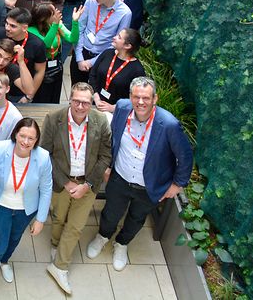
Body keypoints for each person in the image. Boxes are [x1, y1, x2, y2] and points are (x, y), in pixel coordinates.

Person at [87, 77, 193, 271]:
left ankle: (122, 243)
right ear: (130, 97)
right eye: (136, 96)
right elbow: (113, 139)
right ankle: (103, 236)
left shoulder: (169, 125)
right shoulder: (121, 108)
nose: (140, 102)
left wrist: (176, 185)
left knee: (137, 217)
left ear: (155, 99)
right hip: (120, 177)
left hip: (149, 184)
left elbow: (185, 157)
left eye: (146, 97)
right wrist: (108, 166)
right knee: (111, 212)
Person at [39, 83, 112, 294]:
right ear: (70, 100)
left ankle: (59, 267)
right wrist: (66, 182)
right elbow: (46, 154)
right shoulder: (54, 119)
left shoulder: (100, 121)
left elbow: (105, 156)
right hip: (61, 180)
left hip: (89, 182)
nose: (81, 106)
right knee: (59, 217)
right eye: (77, 101)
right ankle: (55, 244)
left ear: (91, 103)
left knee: (76, 225)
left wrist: (87, 185)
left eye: (86, 102)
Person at [0, 118, 53, 293]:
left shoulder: (43, 157)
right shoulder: (0, 149)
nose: (26, 142)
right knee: (0, 243)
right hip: (1, 206)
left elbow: (46, 189)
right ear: (15, 134)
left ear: (37, 140)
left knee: (14, 239)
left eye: (31, 138)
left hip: (25, 209)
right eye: (22, 136)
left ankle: (4, 262)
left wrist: (40, 219)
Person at [72, 0, 132, 85]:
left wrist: (91, 63)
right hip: (82, 52)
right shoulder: (90, 1)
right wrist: (79, 58)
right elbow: (79, 29)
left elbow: (117, 43)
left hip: (103, 57)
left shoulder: (125, 13)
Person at [90, 28, 146, 111]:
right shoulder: (107, 53)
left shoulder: (137, 70)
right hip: (95, 103)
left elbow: (137, 97)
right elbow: (92, 74)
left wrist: (113, 108)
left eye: (119, 37)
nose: (114, 37)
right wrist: (96, 97)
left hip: (117, 112)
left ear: (127, 46)